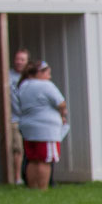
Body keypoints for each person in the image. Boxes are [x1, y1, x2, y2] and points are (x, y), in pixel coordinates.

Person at [16, 60, 67, 191]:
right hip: (46, 128)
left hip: (28, 127)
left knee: (33, 159)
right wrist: (63, 114)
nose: (49, 77)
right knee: (45, 160)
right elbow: (61, 103)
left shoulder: (23, 85)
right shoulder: (46, 85)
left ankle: (33, 188)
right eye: (48, 73)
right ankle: (43, 188)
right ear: (39, 73)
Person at [9, 48, 29, 184]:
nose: (19, 62)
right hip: (14, 119)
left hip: (30, 119)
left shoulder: (31, 78)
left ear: (27, 62)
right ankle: (17, 179)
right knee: (18, 149)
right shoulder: (7, 75)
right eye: (17, 59)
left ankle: (30, 177)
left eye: (22, 59)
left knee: (31, 149)